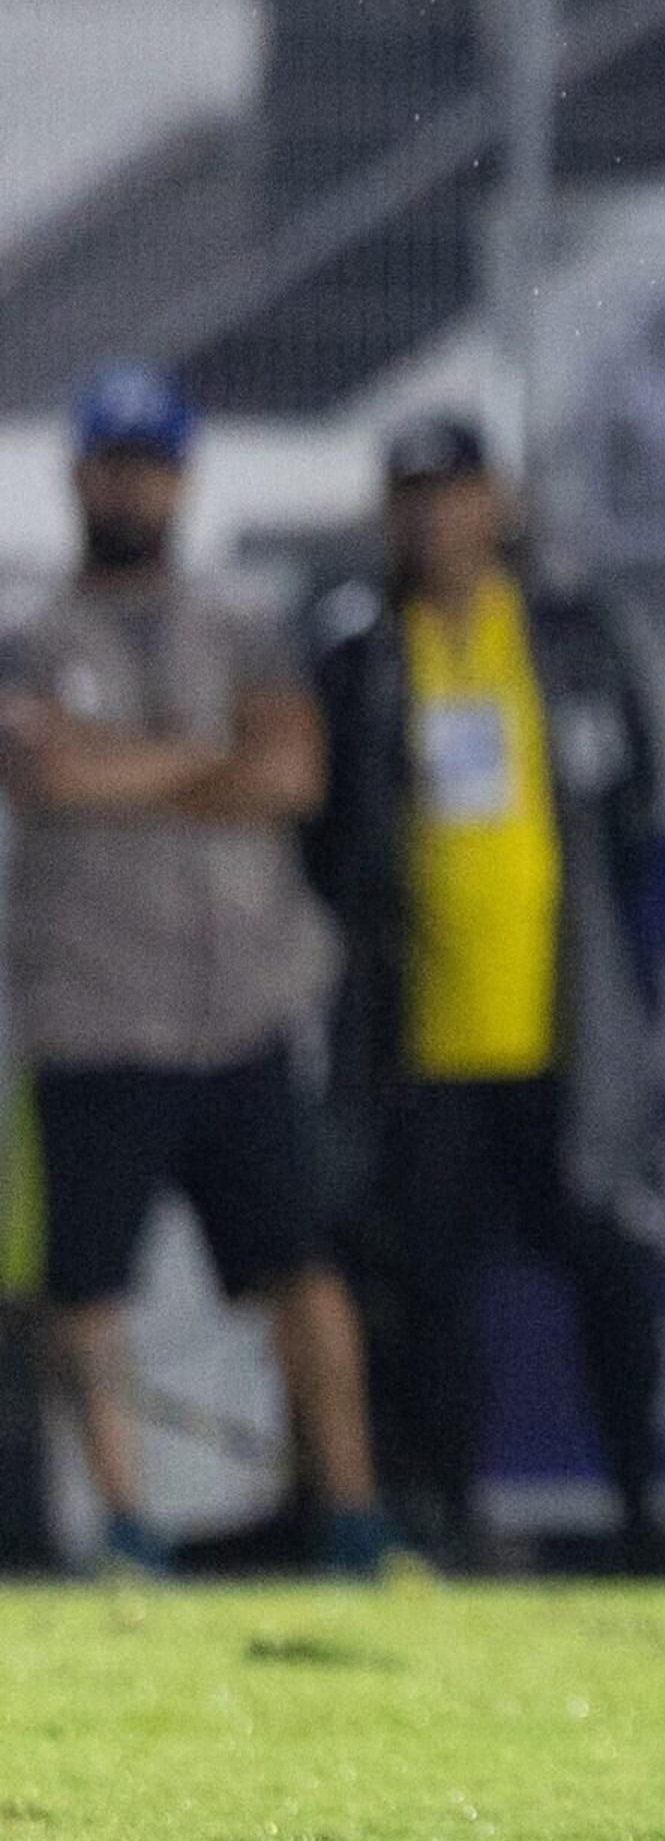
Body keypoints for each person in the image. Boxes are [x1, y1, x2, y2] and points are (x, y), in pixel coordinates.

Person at [1, 363, 390, 1576]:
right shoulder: (32, 633)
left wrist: (127, 771)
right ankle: (124, 1521)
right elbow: (47, 778)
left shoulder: (244, 621)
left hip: (240, 1008)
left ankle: (351, 1515)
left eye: (151, 464)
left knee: (297, 1270)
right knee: (88, 1287)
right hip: (96, 1012)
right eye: (113, 463)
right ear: (80, 476)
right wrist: (206, 763)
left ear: (180, 477)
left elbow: (291, 776)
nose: (131, 486)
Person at [306, 415, 665, 1571]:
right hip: (421, 1035)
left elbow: (636, 808)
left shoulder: (567, 636)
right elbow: (331, 839)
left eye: (453, 490)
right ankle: (450, 1517)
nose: (434, 515)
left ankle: (639, 1517)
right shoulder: (361, 647)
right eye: (411, 492)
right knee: (429, 1290)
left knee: (609, 1269)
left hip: (562, 1032)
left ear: (497, 501)